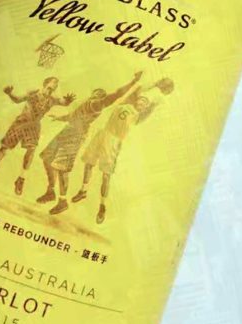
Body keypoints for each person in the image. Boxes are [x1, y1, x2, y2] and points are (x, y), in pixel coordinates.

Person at [37, 71, 143, 215]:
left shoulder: (97, 104)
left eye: (100, 93)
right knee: (46, 158)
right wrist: (59, 118)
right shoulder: (86, 103)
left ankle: (62, 201)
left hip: (76, 136)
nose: (96, 93)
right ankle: (50, 191)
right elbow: (72, 116)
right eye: (95, 92)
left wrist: (133, 82)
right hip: (67, 131)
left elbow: (117, 94)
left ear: (101, 97)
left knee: (61, 167)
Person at [72, 78, 174, 224]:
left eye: (144, 104)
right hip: (102, 134)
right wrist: (154, 84)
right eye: (141, 101)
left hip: (113, 142)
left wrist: (154, 104)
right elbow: (136, 91)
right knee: (88, 164)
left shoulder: (137, 116)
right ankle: (83, 190)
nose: (141, 104)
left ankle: (102, 206)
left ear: (145, 108)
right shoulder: (124, 105)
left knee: (106, 175)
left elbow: (147, 111)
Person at [0, 77, 75, 195]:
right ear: (45, 83)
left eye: (56, 85)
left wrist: (68, 101)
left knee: (31, 150)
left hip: (33, 127)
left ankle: (21, 178)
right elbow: (17, 100)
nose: (54, 86)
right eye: (52, 83)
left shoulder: (52, 99)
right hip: (21, 122)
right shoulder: (33, 93)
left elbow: (64, 103)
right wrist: (10, 94)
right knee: (5, 147)